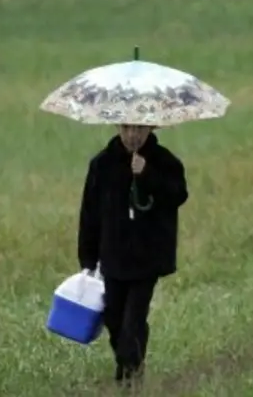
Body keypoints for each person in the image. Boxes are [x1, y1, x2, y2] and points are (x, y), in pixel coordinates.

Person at [78, 123, 189, 386]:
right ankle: (130, 366)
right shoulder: (102, 164)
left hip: (147, 258)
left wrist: (147, 174)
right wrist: (87, 259)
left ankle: (130, 376)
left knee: (133, 321)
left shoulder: (165, 161)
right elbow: (89, 213)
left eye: (139, 128)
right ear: (118, 126)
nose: (133, 135)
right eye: (127, 128)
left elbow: (178, 195)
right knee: (115, 320)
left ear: (151, 126)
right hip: (113, 258)